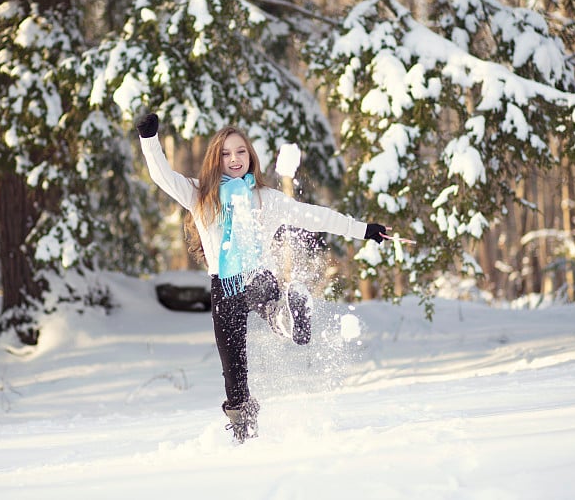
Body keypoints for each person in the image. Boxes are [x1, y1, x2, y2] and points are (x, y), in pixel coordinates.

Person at [136, 113, 387, 443]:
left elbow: (315, 216)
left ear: (250, 157)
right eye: (226, 153)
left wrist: (363, 230)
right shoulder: (200, 196)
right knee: (234, 373)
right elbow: (162, 176)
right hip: (223, 289)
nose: (234, 159)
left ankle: (287, 315)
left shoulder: (266, 199)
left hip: (257, 277)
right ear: (216, 159)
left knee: (265, 297)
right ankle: (244, 430)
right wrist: (149, 139)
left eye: (241, 152)